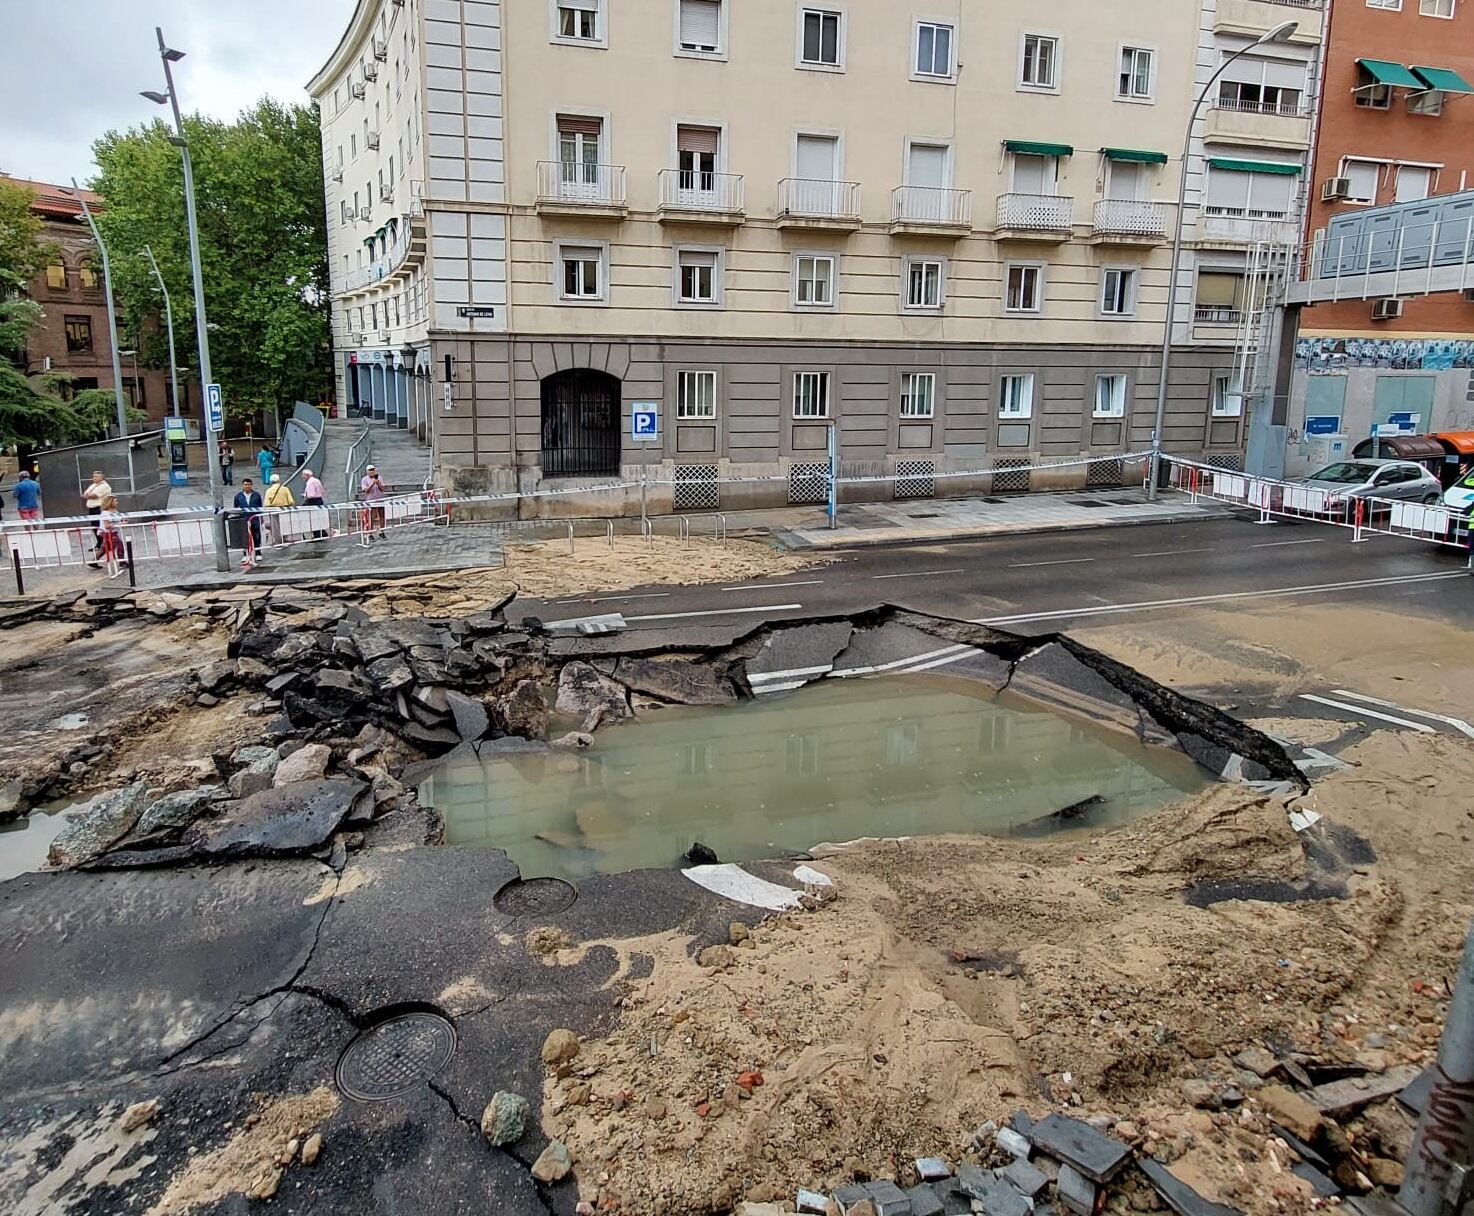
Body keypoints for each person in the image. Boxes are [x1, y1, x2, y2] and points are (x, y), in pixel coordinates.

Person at [83, 470, 112, 566]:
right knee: (96, 529)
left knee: (103, 531)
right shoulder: (93, 485)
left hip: (99, 509)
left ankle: (99, 550)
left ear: (102, 477)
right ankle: (99, 547)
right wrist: (88, 495)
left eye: (96, 476)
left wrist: (88, 495)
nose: (93, 477)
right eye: (93, 476)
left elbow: (93, 495)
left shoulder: (104, 486)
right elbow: (85, 494)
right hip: (92, 510)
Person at [234, 477, 264, 567]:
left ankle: (258, 552)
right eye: (245, 484)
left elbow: (260, 506)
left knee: (256, 536)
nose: (247, 486)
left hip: (254, 518)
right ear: (243, 485)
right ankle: (245, 554)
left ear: (251, 485)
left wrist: (261, 517)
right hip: (244, 519)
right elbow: (236, 508)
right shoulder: (238, 496)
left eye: (248, 484)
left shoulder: (256, 495)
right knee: (244, 537)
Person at [98, 495, 125, 579]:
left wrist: (123, 520)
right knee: (119, 544)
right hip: (107, 532)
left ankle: (94, 560)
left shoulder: (115, 511)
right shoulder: (105, 513)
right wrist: (119, 524)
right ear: (110, 502)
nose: (117, 502)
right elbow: (106, 525)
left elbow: (118, 519)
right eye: (115, 501)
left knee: (107, 548)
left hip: (112, 532)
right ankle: (122, 561)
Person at [360, 464, 387, 539]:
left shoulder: (379, 477)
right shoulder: (364, 479)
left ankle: (382, 531)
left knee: (382, 516)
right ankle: (370, 533)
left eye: (373, 470)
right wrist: (372, 484)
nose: (372, 472)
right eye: (370, 470)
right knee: (372, 517)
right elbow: (366, 490)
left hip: (380, 499)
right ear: (367, 472)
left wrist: (378, 483)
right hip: (371, 501)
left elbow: (382, 488)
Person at [301, 467, 327, 538]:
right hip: (319, 500)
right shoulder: (317, 480)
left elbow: (311, 495)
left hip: (313, 501)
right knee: (318, 518)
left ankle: (318, 534)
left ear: (307, 475)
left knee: (313, 519)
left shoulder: (310, 482)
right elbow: (322, 490)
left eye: (303, 475)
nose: (302, 477)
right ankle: (322, 532)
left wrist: (304, 495)